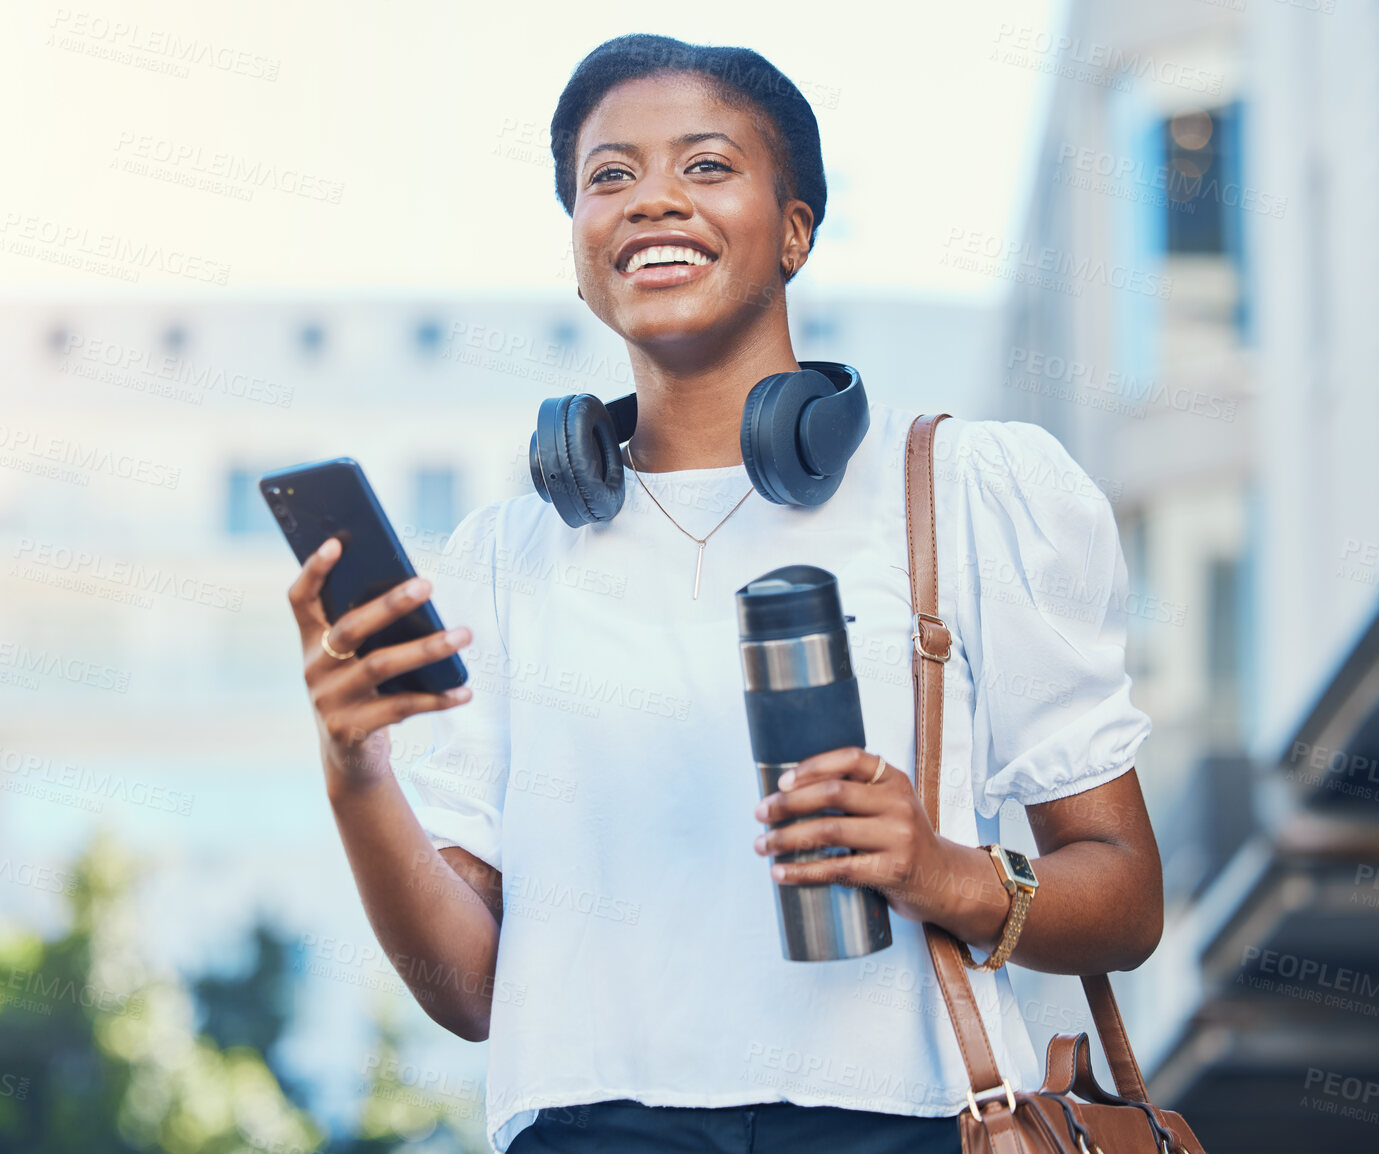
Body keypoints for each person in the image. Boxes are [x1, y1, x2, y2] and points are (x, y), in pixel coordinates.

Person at [284, 33, 1164, 1154]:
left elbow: (1126, 899)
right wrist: (355, 769)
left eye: (706, 166)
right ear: (578, 240)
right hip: (586, 1127)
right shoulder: (502, 558)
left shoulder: (963, 490)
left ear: (795, 228)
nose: (652, 199)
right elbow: (463, 990)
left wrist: (941, 870)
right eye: (610, 176)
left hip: (902, 1122)